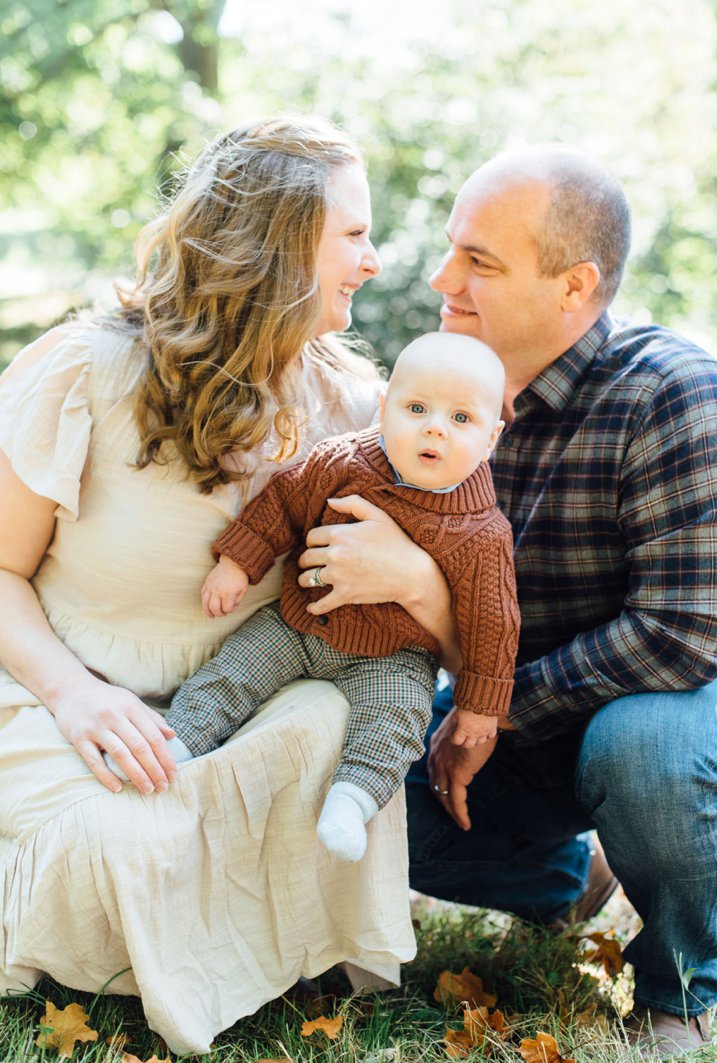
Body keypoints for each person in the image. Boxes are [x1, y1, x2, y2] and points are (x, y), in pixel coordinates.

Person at [296, 146, 717, 1056]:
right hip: (490, 725)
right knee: (340, 797)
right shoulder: (437, 401)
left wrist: (492, 706)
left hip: (645, 715)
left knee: (652, 749)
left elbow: (683, 636)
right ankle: (560, 876)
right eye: (453, 250)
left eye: (479, 263)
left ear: (574, 288)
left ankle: (676, 991)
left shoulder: (676, 392)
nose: (440, 278)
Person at [0, 117, 421, 1054]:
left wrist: (416, 580)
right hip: (54, 697)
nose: (377, 260)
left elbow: (418, 614)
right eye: (354, 235)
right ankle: (181, 909)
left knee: (334, 722)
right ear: (278, 241)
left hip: (236, 714)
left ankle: (198, 908)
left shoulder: (354, 408)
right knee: (118, 842)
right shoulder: (82, 371)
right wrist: (76, 700)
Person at [163, 332, 520, 863]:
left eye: (460, 419)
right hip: (298, 624)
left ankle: (352, 800)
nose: (434, 427)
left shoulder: (482, 534)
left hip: (391, 655)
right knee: (235, 667)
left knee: (397, 717)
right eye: (416, 408)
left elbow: (494, 624)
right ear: (384, 409)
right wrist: (238, 562)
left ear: (491, 439)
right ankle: (181, 742)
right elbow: (282, 503)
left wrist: (479, 706)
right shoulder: (343, 462)